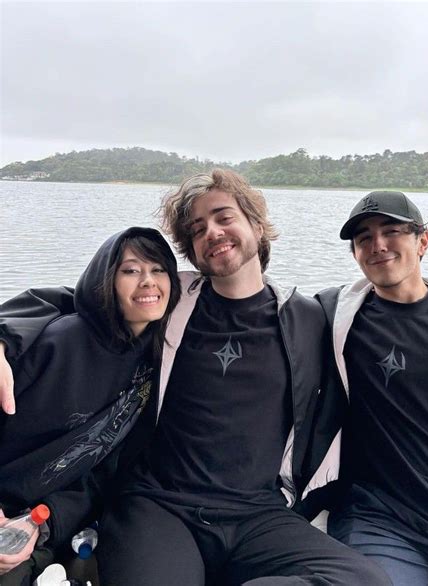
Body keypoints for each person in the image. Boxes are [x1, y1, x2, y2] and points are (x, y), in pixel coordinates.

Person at [0, 170, 391, 586]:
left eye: (224, 217)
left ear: (257, 225)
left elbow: (380, 314)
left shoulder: (309, 317)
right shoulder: (172, 301)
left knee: (364, 580)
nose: (213, 232)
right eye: (197, 229)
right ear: (190, 250)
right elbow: (85, 299)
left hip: (257, 513)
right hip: (158, 506)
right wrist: (4, 335)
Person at [0, 226, 181, 584]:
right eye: (130, 271)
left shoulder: (158, 363)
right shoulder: (55, 342)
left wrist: (43, 521)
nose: (148, 281)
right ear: (106, 281)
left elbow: (103, 473)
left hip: (39, 518)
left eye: (158, 269)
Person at [314, 191, 428, 586]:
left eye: (391, 231)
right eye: (364, 238)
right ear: (354, 254)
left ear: (423, 241)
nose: (378, 245)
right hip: (380, 522)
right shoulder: (331, 315)